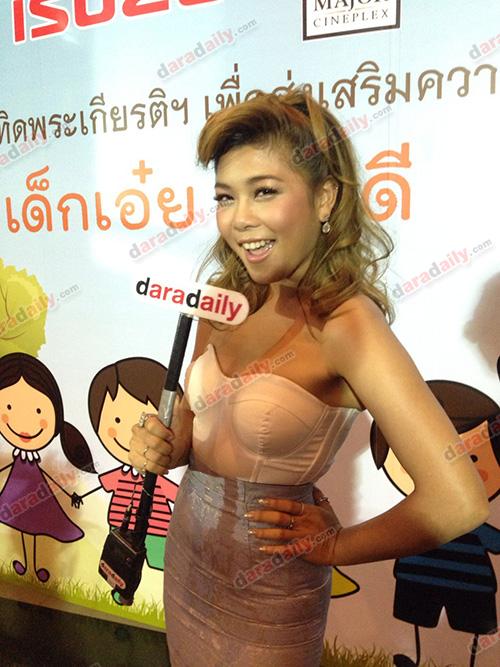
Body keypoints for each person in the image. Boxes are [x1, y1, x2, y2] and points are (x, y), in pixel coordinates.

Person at [128, 88, 489, 666]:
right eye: (226, 196)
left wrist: (337, 545)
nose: (240, 218)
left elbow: (458, 500)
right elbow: (195, 429)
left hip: (270, 593)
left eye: (265, 191)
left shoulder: (347, 325)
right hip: (189, 556)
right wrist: (168, 446)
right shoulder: (225, 297)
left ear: (324, 198)